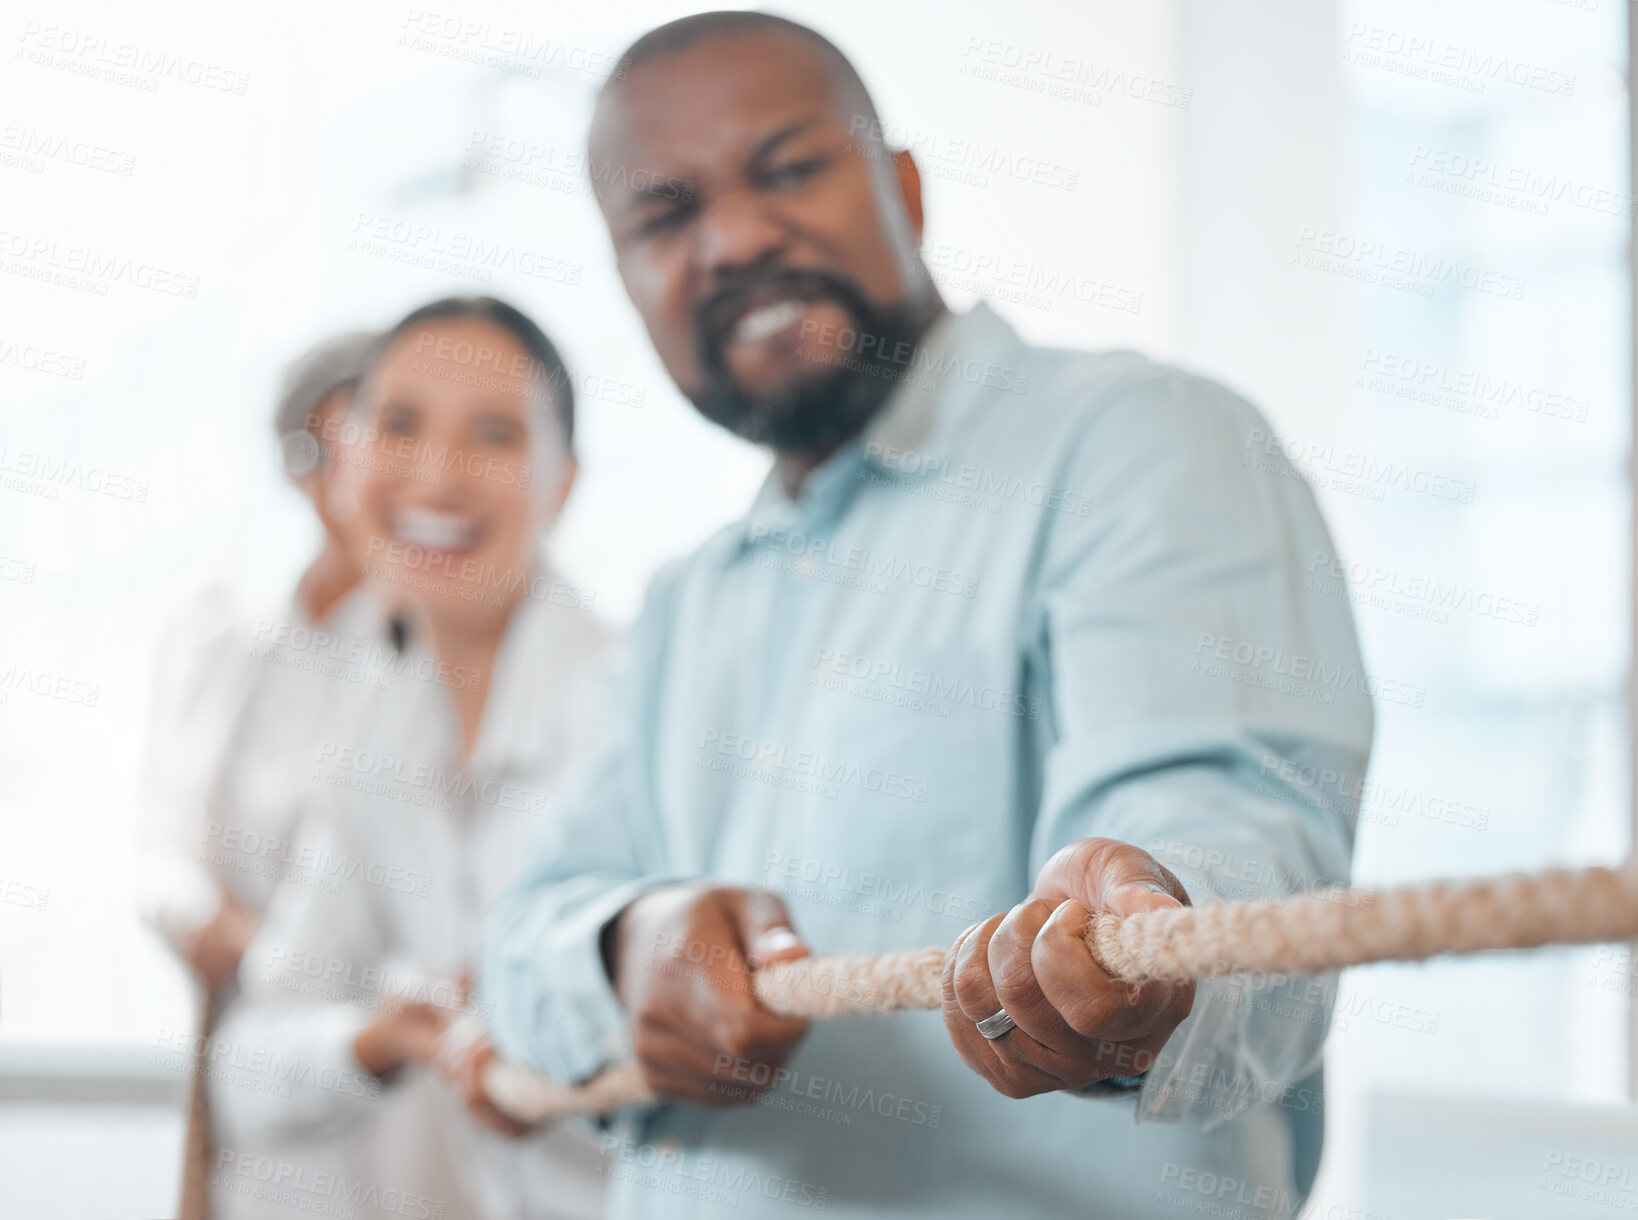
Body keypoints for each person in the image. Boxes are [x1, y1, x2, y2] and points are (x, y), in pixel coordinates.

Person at [486, 12, 1373, 1220]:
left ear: (903, 187)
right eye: (665, 213)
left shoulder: (1144, 443)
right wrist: (626, 942)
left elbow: (1230, 827)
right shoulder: (686, 598)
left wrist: (1150, 931)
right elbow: (528, 929)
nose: (737, 237)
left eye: (791, 167)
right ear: (628, 281)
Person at [211, 297, 612, 1220]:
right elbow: (247, 1068)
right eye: (398, 424)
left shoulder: (636, 710)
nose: (437, 474)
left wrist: (549, 1031)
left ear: (563, 481)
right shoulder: (373, 731)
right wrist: (374, 1040)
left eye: (494, 434)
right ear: (346, 458)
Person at [138, 330, 390, 1220]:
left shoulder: (433, 651)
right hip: (247, 1029)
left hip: (377, 1051)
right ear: (303, 467)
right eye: (352, 442)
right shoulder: (225, 637)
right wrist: (203, 920)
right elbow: (162, 843)